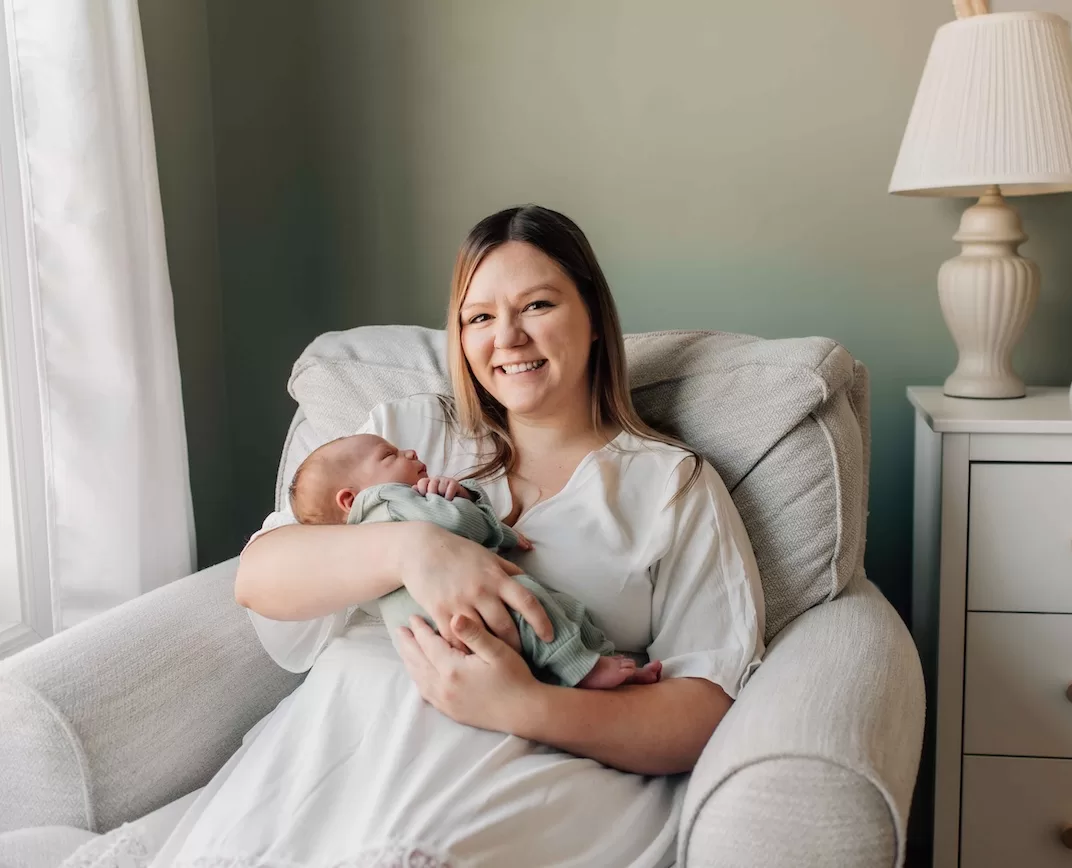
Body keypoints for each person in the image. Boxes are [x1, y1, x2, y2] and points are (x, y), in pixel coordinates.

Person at [80, 204, 765, 868]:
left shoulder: (671, 486)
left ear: (592, 319)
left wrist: (526, 705)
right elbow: (259, 577)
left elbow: (704, 707)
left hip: (528, 759)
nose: (509, 338)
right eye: (480, 317)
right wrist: (414, 548)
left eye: (537, 306)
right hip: (343, 745)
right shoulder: (404, 437)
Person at [288, 432, 664, 689]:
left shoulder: (350, 548)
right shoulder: (387, 500)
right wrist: (463, 501)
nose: (410, 453)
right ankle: (585, 667)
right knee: (536, 606)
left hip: (434, 638)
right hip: (466, 606)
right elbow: (461, 526)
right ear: (350, 500)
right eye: (389, 455)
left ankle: (589, 667)